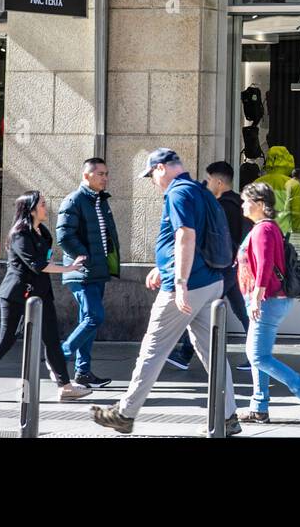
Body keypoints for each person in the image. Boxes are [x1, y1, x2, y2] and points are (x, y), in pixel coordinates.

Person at [90, 148, 239, 436]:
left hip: (187, 286)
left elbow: (186, 234)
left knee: (153, 349)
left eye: (151, 176)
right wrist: (164, 265)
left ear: (161, 168)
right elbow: (191, 237)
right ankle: (229, 416)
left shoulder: (178, 192)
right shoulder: (199, 189)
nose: (152, 181)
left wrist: (180, 281)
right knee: (212, 354)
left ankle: (125, 412)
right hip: (210, 282)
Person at [0, 192, 93, 403]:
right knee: (6, 339)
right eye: (42, 204)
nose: (45, 208)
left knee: (52, 339)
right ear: (31, 209)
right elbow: (37, 265)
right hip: (16, 294)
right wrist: (69, 268)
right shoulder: (19, 234)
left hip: (40, 293)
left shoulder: (42, 232)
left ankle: (65, 386)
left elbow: (45, 260)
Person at [236, 181, 300, 423]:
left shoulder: (263, 229)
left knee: (258, 357)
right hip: (267, 299)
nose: (242, 205)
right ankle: (259, 407)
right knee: (257, 354)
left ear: (260, 204)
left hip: (268, 300)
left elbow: (264, 265)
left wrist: (256, 298)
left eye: (246, 201)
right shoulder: (265, 228)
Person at [166, 160, 253, 372]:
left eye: (208, 179)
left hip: (223, 267)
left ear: (220, 181)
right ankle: (256, 354)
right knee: (242, 311)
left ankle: (185, 354)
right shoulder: (239, 203)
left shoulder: (221, 206)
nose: (205, 183)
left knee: (201, 307)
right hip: (233, 266)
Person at [57, 156, 121, 388]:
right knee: (95, 317)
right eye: (100, 174)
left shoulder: (100, 200)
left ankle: (83, 373)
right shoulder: (74, 200)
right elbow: (64, 235)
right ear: (87, 175)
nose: (105, 178)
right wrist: (84, 255)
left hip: (97, 270)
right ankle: (61, 355)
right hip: (81, 271)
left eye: (106, 173)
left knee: (88, 320)